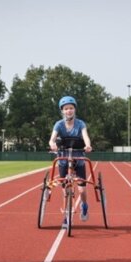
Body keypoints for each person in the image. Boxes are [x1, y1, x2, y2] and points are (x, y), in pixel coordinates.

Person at [48, 96, 92, 227]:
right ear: (62, 111)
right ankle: (67, 216)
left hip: (78, 158)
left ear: (75, 109)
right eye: (66, 109)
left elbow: (86, 137)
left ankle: (84, 205)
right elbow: (52, 139)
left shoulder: (81, 124)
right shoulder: (59, 124)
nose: (69, 111)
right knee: (65, 189)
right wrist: (52, 144)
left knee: (82, 190)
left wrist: (88, 145)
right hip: (63, 158)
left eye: (71, 108)